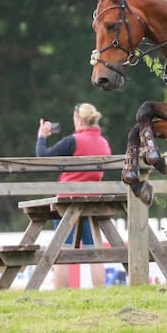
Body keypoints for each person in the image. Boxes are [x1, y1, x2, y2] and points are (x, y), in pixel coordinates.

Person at [36, 103, 111, 289]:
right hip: (93, 202)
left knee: (62, 249)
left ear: (79, 120)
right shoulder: (103, 143)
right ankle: (100, 290)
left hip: (68, 201)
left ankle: (62, 290)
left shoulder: (73, 141)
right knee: (95, 250)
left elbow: (43, 157)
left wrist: (42, 137)